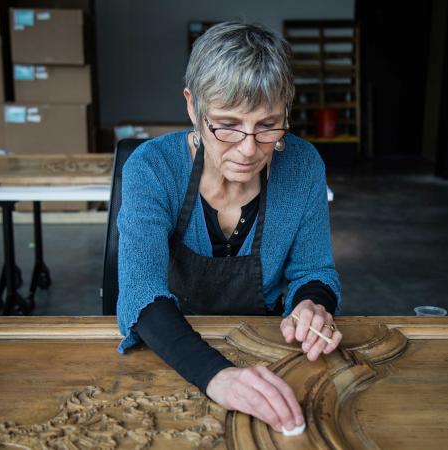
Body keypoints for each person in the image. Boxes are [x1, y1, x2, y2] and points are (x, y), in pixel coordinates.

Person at [117, 21, 343, 434]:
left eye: (267, 125)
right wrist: (218, 377)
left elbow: (314, 271)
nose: (248, 148)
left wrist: (312, 304)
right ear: (192, 107)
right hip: (169, 350)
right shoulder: (152, 168)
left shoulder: (303, 165)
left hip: (271, 351)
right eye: (227, 124)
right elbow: (139, 293)